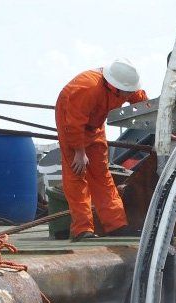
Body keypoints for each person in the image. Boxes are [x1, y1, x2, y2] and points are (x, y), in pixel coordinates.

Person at [55, 58, 148, 241]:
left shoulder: (126, 87)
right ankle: (82, 230)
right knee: (77, 175)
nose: (129, 96)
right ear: (115, 87)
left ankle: (116, 225)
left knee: (102, 175)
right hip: (71, 123)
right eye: (127, 93)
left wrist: (161, 127)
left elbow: (144, 106)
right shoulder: (86, 89)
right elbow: (73, 124)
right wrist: (79, 153)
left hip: (95, 124)